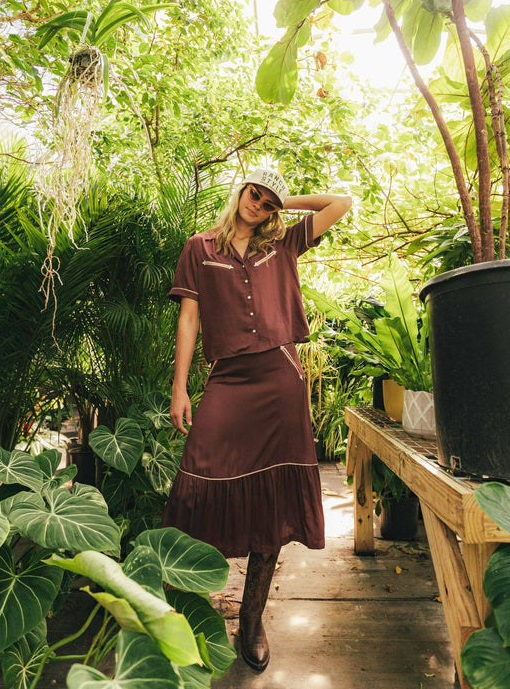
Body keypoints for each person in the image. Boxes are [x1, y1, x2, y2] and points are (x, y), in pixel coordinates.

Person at [163, 167, 351, 672]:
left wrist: (285, 200)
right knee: (198, 478)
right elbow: (189, 319)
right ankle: (183, 606)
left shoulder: (283, 244)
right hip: (228, 378)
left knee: (273, 495)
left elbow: (341, 202)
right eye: (255, 194)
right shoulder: (199, 247)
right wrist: (180, 388)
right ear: (239, 191)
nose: (259, 205)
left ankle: (252, 619)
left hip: (279, 377)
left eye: (268, 202)